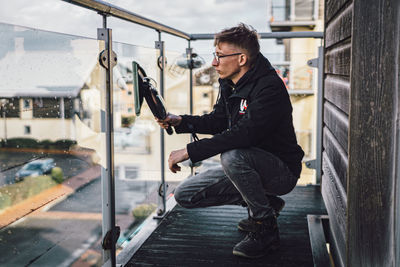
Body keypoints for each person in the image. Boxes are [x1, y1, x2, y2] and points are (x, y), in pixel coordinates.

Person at [156, 23, 304, 258]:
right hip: (248, 165)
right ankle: (266, 204)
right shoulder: (230, 82)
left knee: (232, 155)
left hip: (281, 171)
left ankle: (265, 228)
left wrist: (189, 151)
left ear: (242, 58)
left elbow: (245, 134)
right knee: (185, 196)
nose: (214, 63)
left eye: (220, 56)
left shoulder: (270, 88)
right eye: (215, 55)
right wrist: (181, 121)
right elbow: (218, 121)